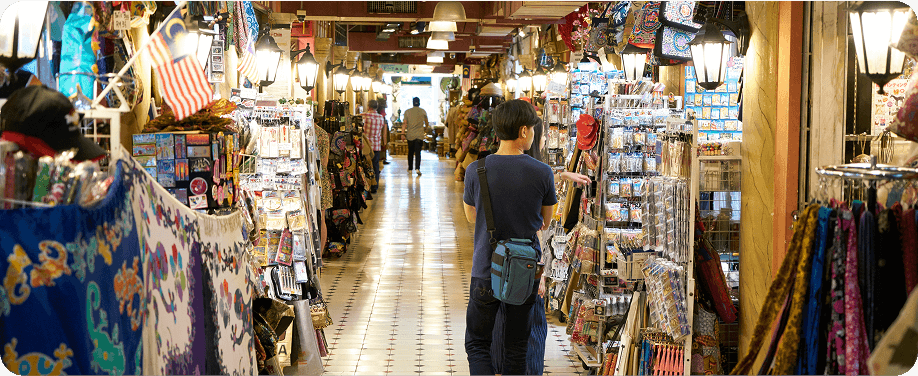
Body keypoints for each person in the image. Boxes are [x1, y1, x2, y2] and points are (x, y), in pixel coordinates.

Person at [463, 99, 557, 376]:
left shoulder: (476, 170)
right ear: (525, 130)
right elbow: (545, 221)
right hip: (523, 269)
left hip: (485, 267)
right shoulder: (542, 172)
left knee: (478, 344)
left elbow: (471, 216)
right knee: (517, 346)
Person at [361, 100, 386, 193]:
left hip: (366, 147)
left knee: (365, 166)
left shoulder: (364, 116)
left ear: (368, 106)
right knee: (375, 166)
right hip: (376, 145)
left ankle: (366, 186)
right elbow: (382, 130)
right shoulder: (381, 118)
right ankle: (374, 187)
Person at [402, 97, 429, 176]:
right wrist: (425, 128)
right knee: (418, 152)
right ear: (419, 102)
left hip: (410, 135)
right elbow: (427, 122)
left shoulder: (407, 111)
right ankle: (417, 168)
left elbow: (405, 123)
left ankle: (410, 169)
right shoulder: (423, 111)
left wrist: (402, 133)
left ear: (412, 103)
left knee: (410, 152)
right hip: (419, 135)